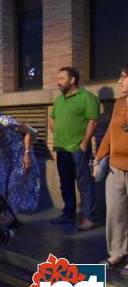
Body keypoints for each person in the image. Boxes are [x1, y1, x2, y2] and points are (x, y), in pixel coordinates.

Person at [49, 67, 100, 230]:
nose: (58, 82)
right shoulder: (59, 100)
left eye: (62, 78)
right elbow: (52, 118)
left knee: (84, 184)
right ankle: (69, 214)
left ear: (72, 80)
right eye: (58, 79)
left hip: (78, 149)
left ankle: (89, 217)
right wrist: (57, 134)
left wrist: (85, 143)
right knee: (66, 184)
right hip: (61, 149)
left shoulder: (87, 97)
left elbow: (93, 121)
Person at [94, 65, 128, 277]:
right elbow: (109, 133)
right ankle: (117, 253)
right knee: (115, 213)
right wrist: (98, 158)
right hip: (115, 168)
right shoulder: (119, 103)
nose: (119, 81)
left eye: (124, 77)